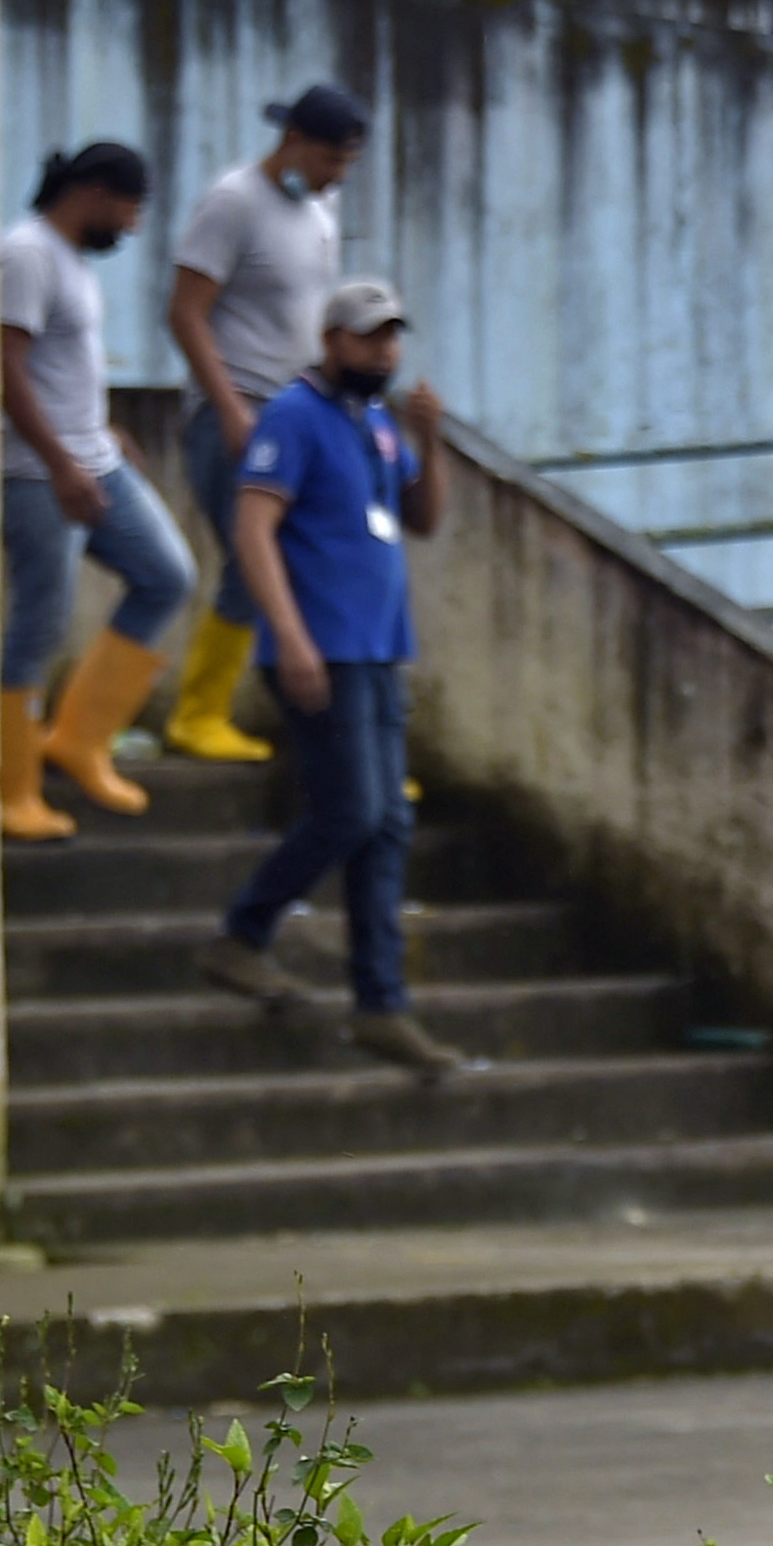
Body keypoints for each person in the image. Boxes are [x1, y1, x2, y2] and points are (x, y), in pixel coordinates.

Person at [193, 279, 465, 1077]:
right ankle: (243, 933)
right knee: (350, 811)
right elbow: (253, 526)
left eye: (392, 337)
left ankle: (382, 1006)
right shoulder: (294, 416)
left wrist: (431, 442)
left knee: (386, 825)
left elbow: (422, 518)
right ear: (331, 340)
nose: (384, 351)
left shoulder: (376, 423)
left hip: (379, 648)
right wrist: (290, 633)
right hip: (323, 650)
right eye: (368, 337)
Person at [162, 81, 371, 763]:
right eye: (330, 160)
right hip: (241, 407)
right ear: (295, 143)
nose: (336, 176)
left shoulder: (319, 209)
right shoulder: (233, 203)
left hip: (300, 410)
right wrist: (228, 410)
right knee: (256, 563)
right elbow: (185, 312)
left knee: (312, 563)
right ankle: (198, 712)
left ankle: (338, 739)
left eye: (346, 164)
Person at [0, 141, 190, 842]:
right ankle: (12, 789)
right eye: (130, 209)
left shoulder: (68, 260)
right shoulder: (26, 253)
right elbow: (6, 367)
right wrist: (58, 462)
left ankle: (78, 739)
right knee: (41, 622)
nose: (132, 227)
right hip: (38, 473)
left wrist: (101, 433)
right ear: (96, 193)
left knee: (166, 575)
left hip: (93, 457)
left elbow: (60, 366)